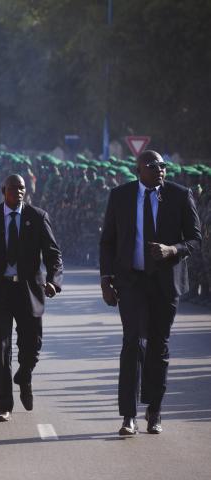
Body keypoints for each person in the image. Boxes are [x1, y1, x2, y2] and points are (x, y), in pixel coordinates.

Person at [99, 150, 201, 436]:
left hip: (165, 283)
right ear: (139, 170)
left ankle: (154, 410)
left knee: (158, 345)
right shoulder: (120, 196)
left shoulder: (180, 195)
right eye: (153, 166)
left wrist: (173, 250)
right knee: (132, 343)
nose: (160, 170)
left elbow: (195, 238)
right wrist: (106, 280)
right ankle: (128, 416)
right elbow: (107, 241)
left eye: (163, 166)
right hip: (131, 281)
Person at [0, 174, 63, 422]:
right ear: (3, 190)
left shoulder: (38, 217)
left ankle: (24, 376)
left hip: (29, 291)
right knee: (0, 348)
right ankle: (4, 405)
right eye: (13, 188)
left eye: (22, 188)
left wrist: (54, 281)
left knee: (32, 346)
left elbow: (53, 254)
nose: (19, 192)